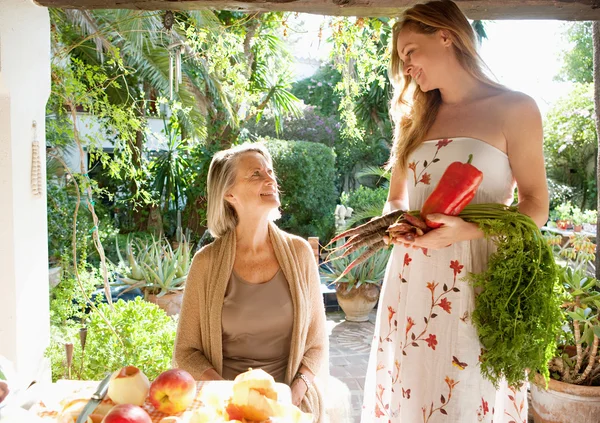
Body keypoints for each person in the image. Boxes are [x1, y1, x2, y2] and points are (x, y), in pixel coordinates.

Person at [361, 1, 549, 422]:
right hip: (411, 277)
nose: (406, 67)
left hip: (475, 276)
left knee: (465, 394)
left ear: (445, 35)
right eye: (401, 59)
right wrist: (398, 224)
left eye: (410, 52)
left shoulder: (515, 108)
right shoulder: (414, 119)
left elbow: (536, 207)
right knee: (411, 394)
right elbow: (396, 199)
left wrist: (467, 232)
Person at [174, 143, 328, 421]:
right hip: (223, 403)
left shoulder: (300, 253)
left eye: (270, 171)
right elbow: (186, 352)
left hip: (288, 400)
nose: (270, 179)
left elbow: (317, 344)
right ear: (229, 193)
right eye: (256, 174)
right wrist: (229, 397)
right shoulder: (206, 263)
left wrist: (292, 394)